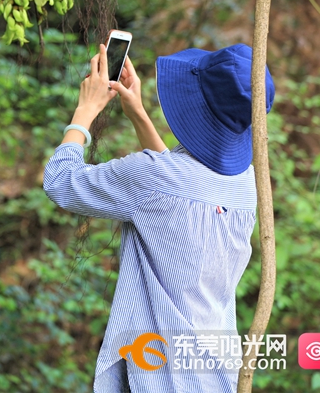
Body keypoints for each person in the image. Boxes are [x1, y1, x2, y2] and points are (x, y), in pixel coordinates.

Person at [43, 42, 275, 393]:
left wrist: (85, 109)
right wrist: (137, 113)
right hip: (218, 377)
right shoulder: (248, 186)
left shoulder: (154, 180)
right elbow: (178, 192)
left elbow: (60, 181)